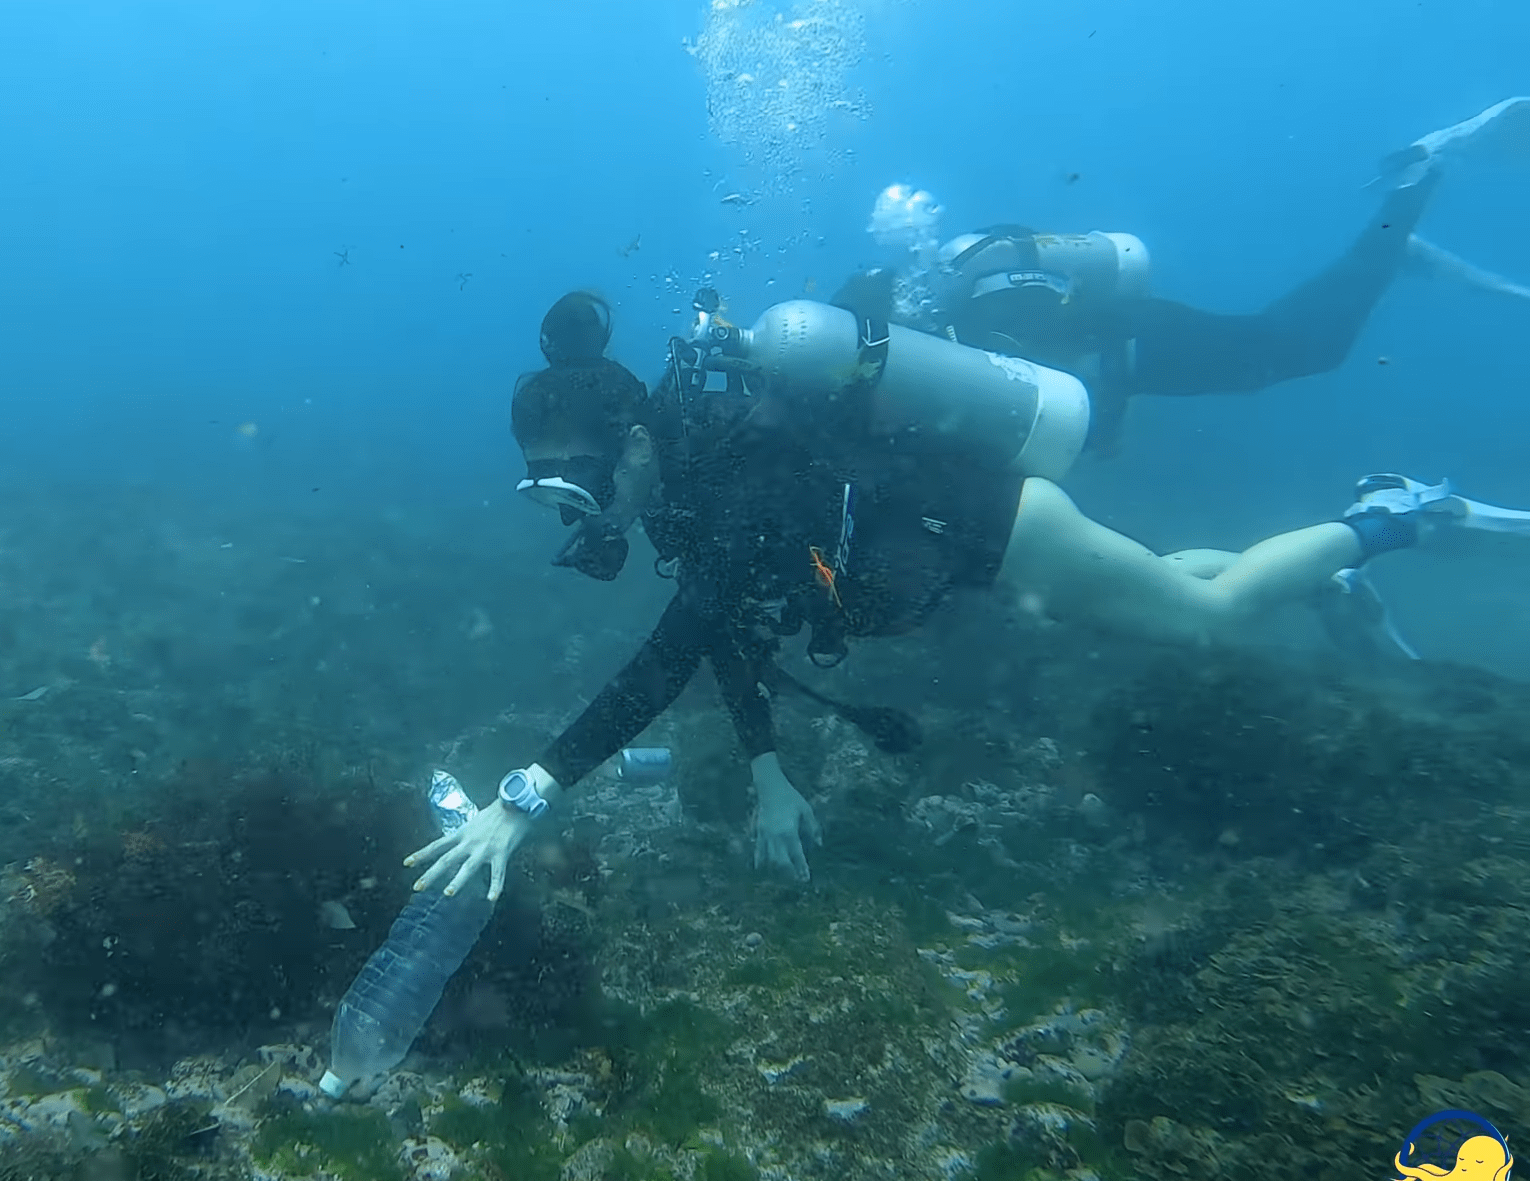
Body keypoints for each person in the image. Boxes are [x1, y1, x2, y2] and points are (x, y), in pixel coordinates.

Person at [405, 288, 1530, 896]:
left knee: (1210, 618)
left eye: (584, 493)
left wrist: (531, 789)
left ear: (631, 442)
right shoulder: (686, 479)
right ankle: (1341, 551)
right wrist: (768, 774)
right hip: (959, 540)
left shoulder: (725, 479)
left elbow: (674, 648)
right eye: (555, 503)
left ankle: (1390, 516)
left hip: (989, 526)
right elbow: (724, 623)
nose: (586, 522)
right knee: (1156, 587)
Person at [841, 98, 1530, 449]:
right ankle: (1383, 257)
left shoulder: (963, 333)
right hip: (1142, 337)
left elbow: (1073, 365)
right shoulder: (947, 323)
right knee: (1279, 340)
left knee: (1306, 350)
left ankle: (1423, 174)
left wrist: (1106, 431)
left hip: (1145, 344)